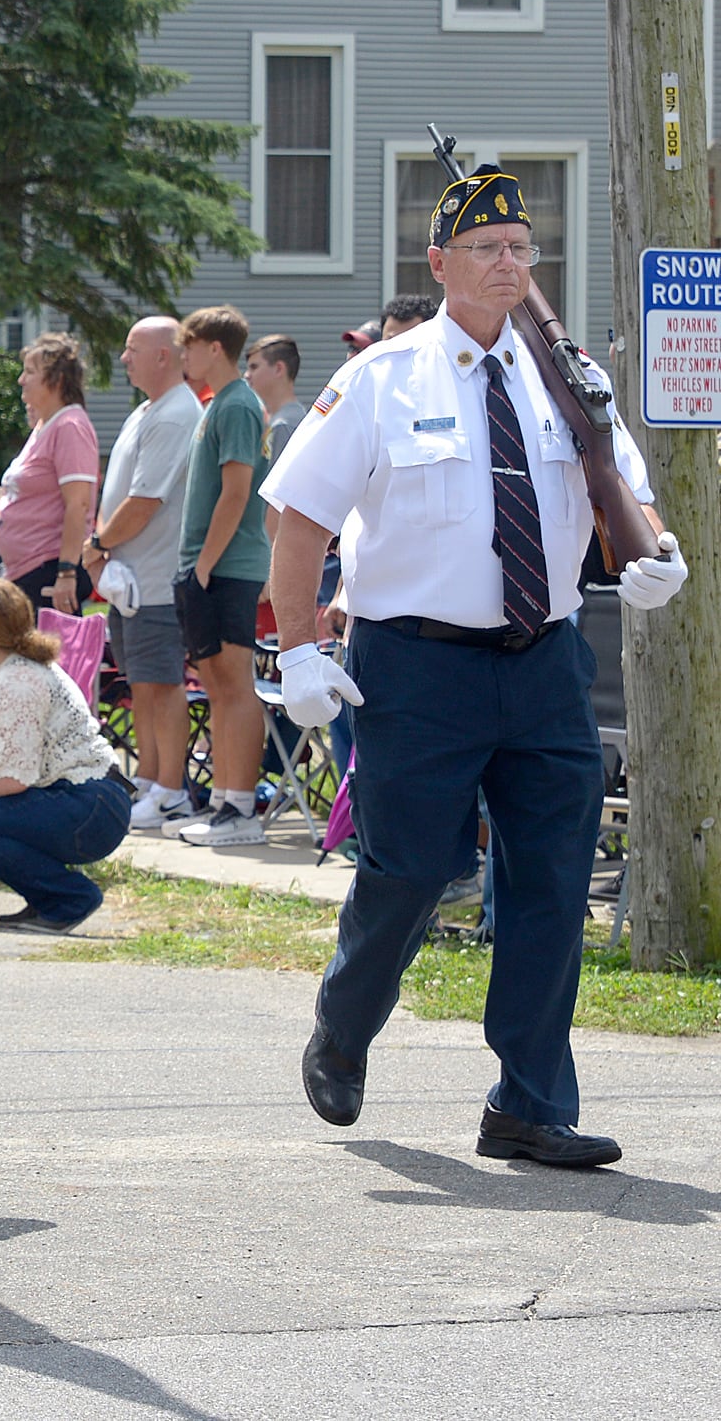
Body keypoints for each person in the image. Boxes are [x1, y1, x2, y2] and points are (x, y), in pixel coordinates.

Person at [264, 167, 687, 1167]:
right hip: (416, 665)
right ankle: (344, 1020)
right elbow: (299, 519)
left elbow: (626, 489)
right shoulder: (381, 377)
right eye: (485, 248)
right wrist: (299, 645)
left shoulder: (570, 374)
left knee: (548, 880)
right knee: (410, 867)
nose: (507, 262)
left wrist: (654, 553)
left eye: (519, 248)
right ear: (438, 264)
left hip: (542, 662)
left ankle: (528, 1100)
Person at [0, 577, 129, 931]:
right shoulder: (8, 671)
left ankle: (70, 899)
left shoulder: (17, 680)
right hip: (83, 801)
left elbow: (13, 777)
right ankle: (47, 901)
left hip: (91, 805)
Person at [83, 317, 201, 831]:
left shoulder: (176, 414)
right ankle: (151, 783)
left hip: (154, 580)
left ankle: (170, 788)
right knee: (142, 686)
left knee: (162, 685)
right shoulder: (149, 411)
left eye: (133, 349)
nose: (124, 358)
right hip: (130, 582)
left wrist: (97, 544)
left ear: (163, 355)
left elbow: (146, 500)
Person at [166, 305, 272, 846]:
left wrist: (204, 565)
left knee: (236, 686)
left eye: (190, 345)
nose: (184, 355)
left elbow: (238, 491)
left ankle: (241, 807)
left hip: (228, 567)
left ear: (214, 348)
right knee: (217, 685)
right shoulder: (219, 404)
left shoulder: (237, 405)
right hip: (206, 566)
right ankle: (225, 802)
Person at [0, 333, 98, 615]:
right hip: (24, 572)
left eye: (29, 372)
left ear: (58, 380)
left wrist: (66, 573)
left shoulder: (70, 425)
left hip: (48, 572)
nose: (21, 379)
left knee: (43, 659)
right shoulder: (46, 424)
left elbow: (78, 503)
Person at [248, 334, 304, 447]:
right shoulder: (278, 420)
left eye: (254, 367)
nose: (247, 375)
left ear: (279, 369)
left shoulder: (284, 425)